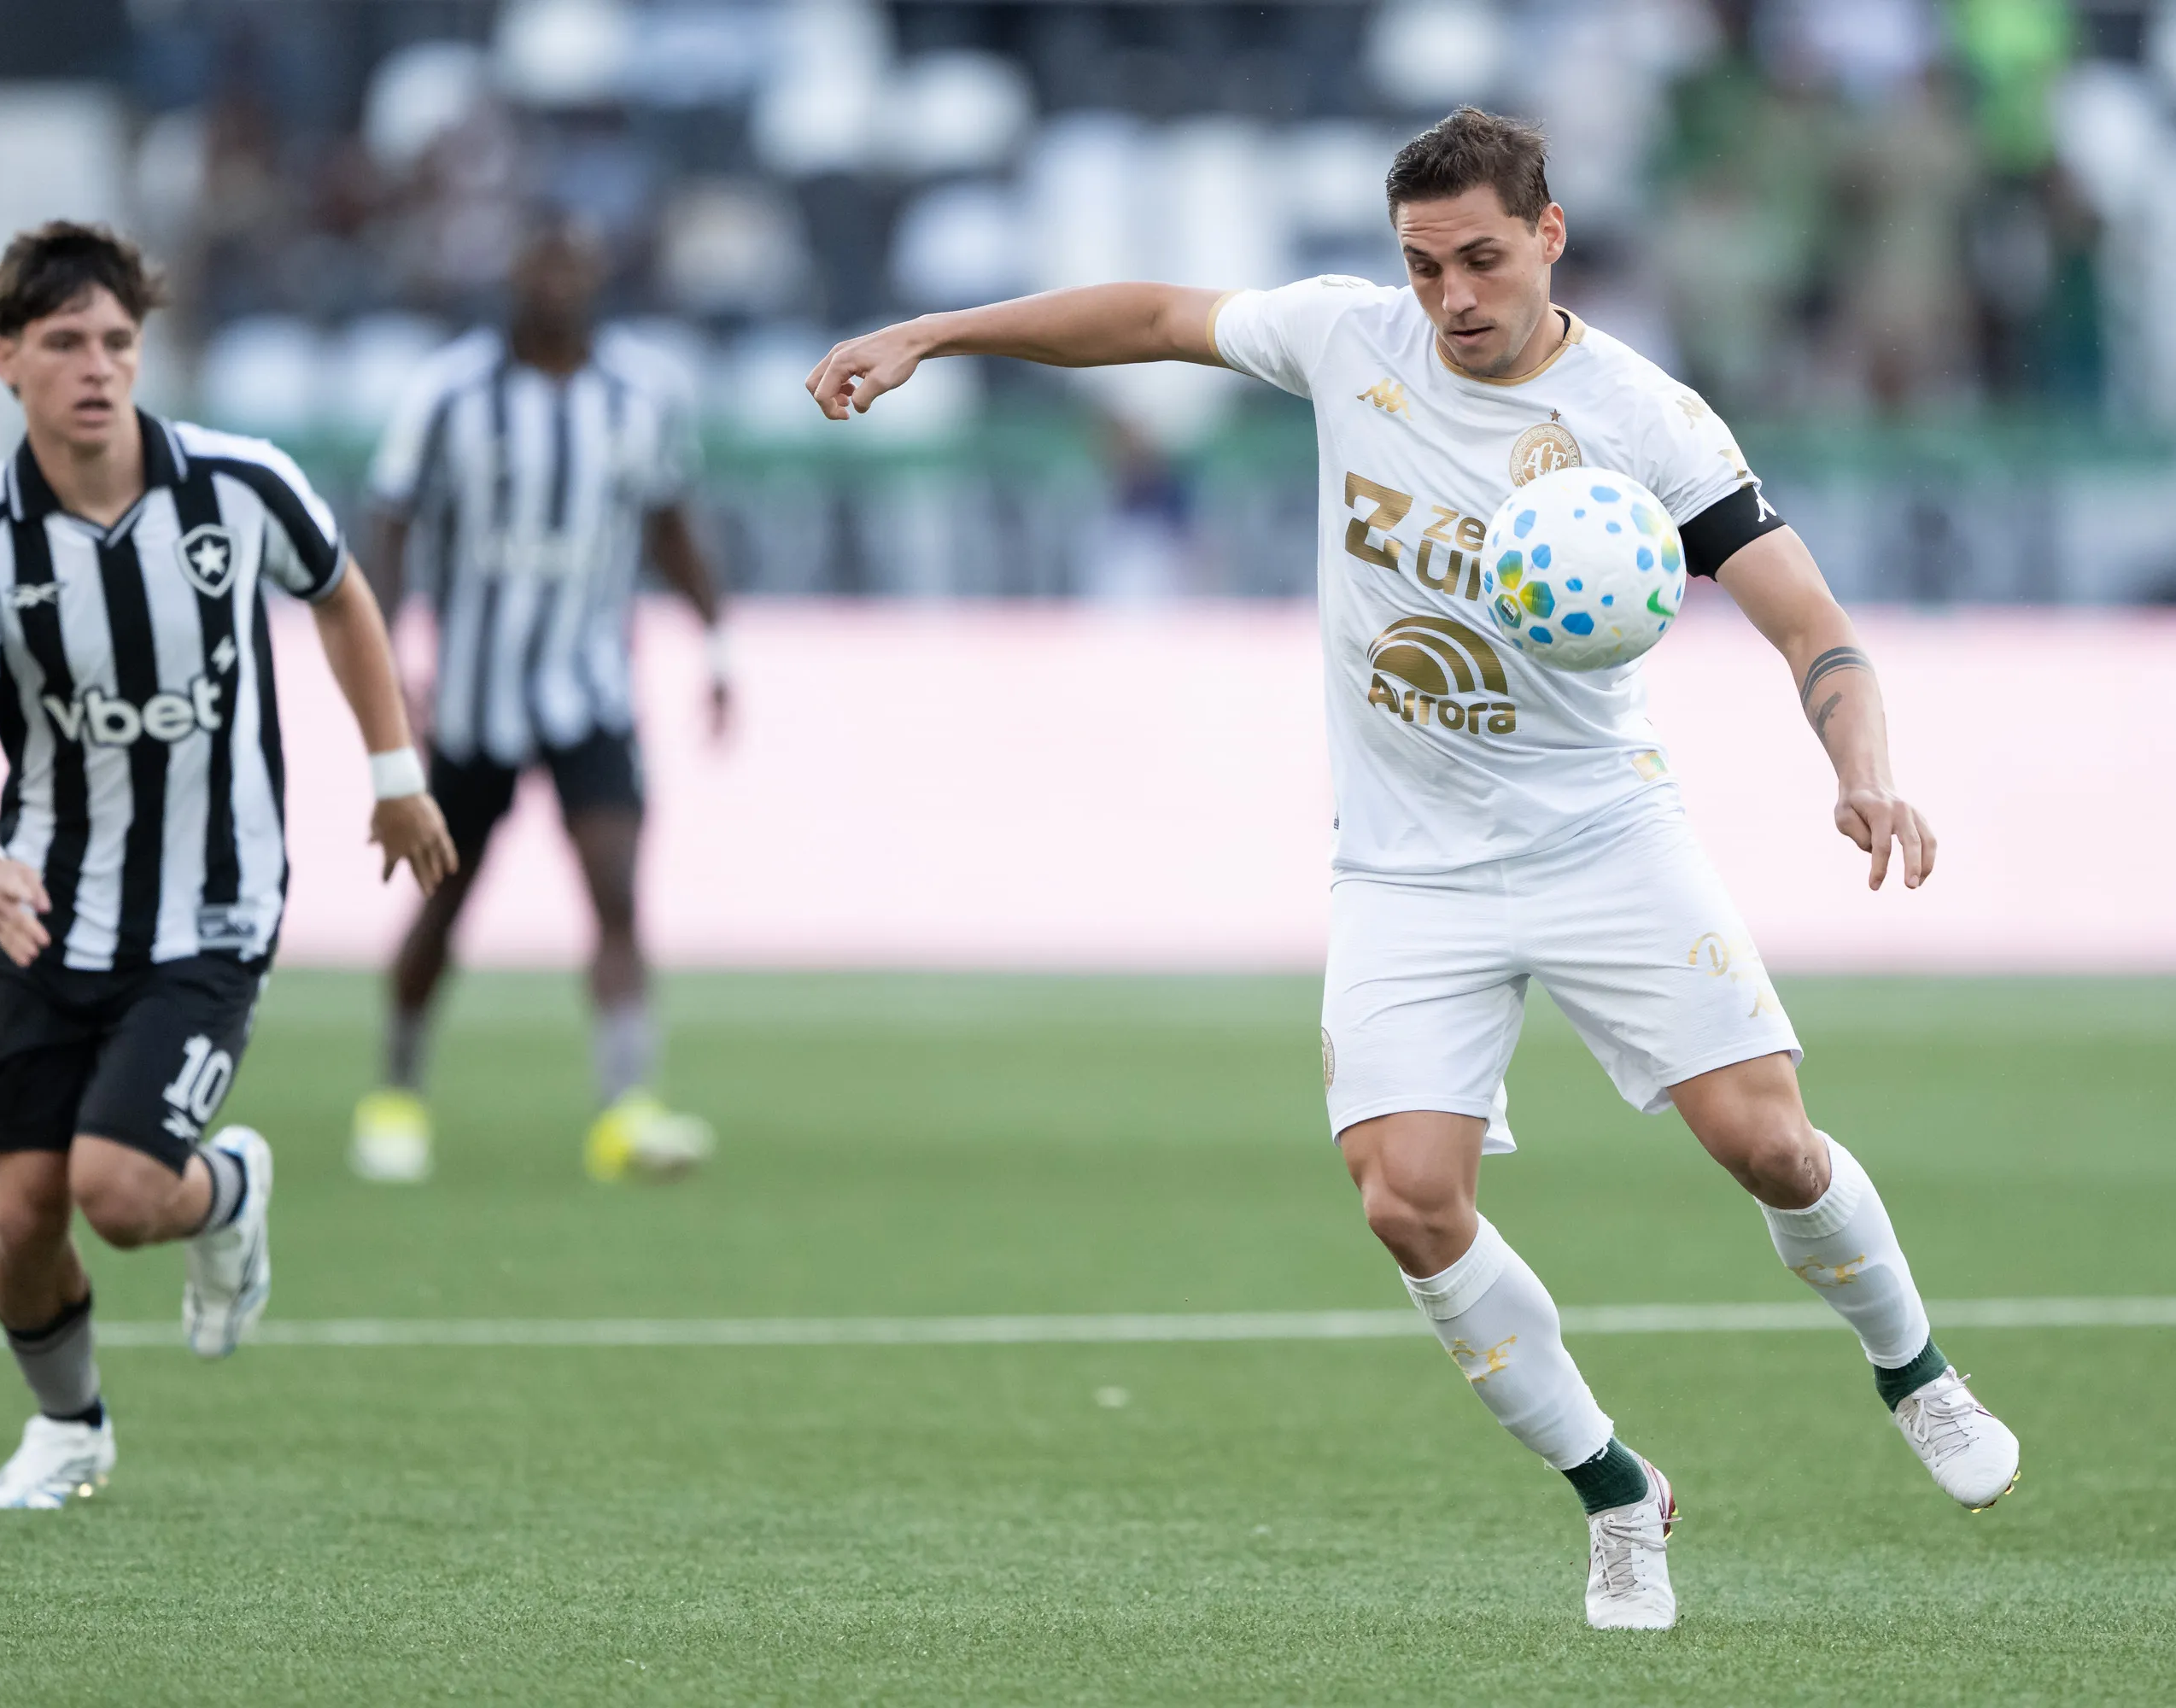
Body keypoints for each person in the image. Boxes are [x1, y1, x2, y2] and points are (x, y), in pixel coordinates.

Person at [805, 108, 2018, 1631]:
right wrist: (934, 333)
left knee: (1768, 1144)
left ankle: (1917, 1374)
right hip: (1406, 871)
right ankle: (1615, 1493)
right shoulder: (1347, 340)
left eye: (1483, 260)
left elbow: (1811, 624)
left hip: (1602, 836)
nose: (1452, 295)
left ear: (1550, 236)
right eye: (1425, 264)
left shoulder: (1647, 421)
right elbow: (1156, 318)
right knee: (1407, 1203)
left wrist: (1864, 770)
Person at [0, 222, 457, 1509]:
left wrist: (395, 774)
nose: (97, 367)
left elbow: (343, 594)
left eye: (118, 341)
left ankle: (226, 1193)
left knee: (116, 1192)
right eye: (65, 343)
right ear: (5, 358)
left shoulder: (238, 486)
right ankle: (70, 1430)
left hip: (210, 909)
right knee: (19, 1219)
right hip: (47, 915)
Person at [348, 223, 729, 1185]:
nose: (557, 283)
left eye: (573, 265)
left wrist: (717, 640)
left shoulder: (640, 395)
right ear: (514, 274)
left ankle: (625, 1106)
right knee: (445, 900)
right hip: (475, 697)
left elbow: (671, 523)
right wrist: (389, 655)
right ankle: (395, 1094)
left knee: (616, 891)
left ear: (597, 275)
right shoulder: (450, 392)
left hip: (591, 690)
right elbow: (389, 522)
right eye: (541, 265)